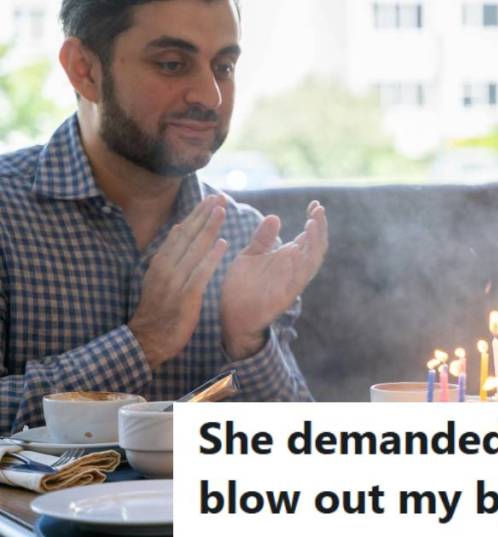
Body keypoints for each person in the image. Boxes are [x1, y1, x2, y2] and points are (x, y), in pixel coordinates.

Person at [0, 0, 329, 433]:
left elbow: (299, 451)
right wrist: (142, 343)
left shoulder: (247, 237)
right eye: (173, 65)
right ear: (84, 69)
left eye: (224, 67)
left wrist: (247, 342)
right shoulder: (7, 214)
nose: (209, 96)